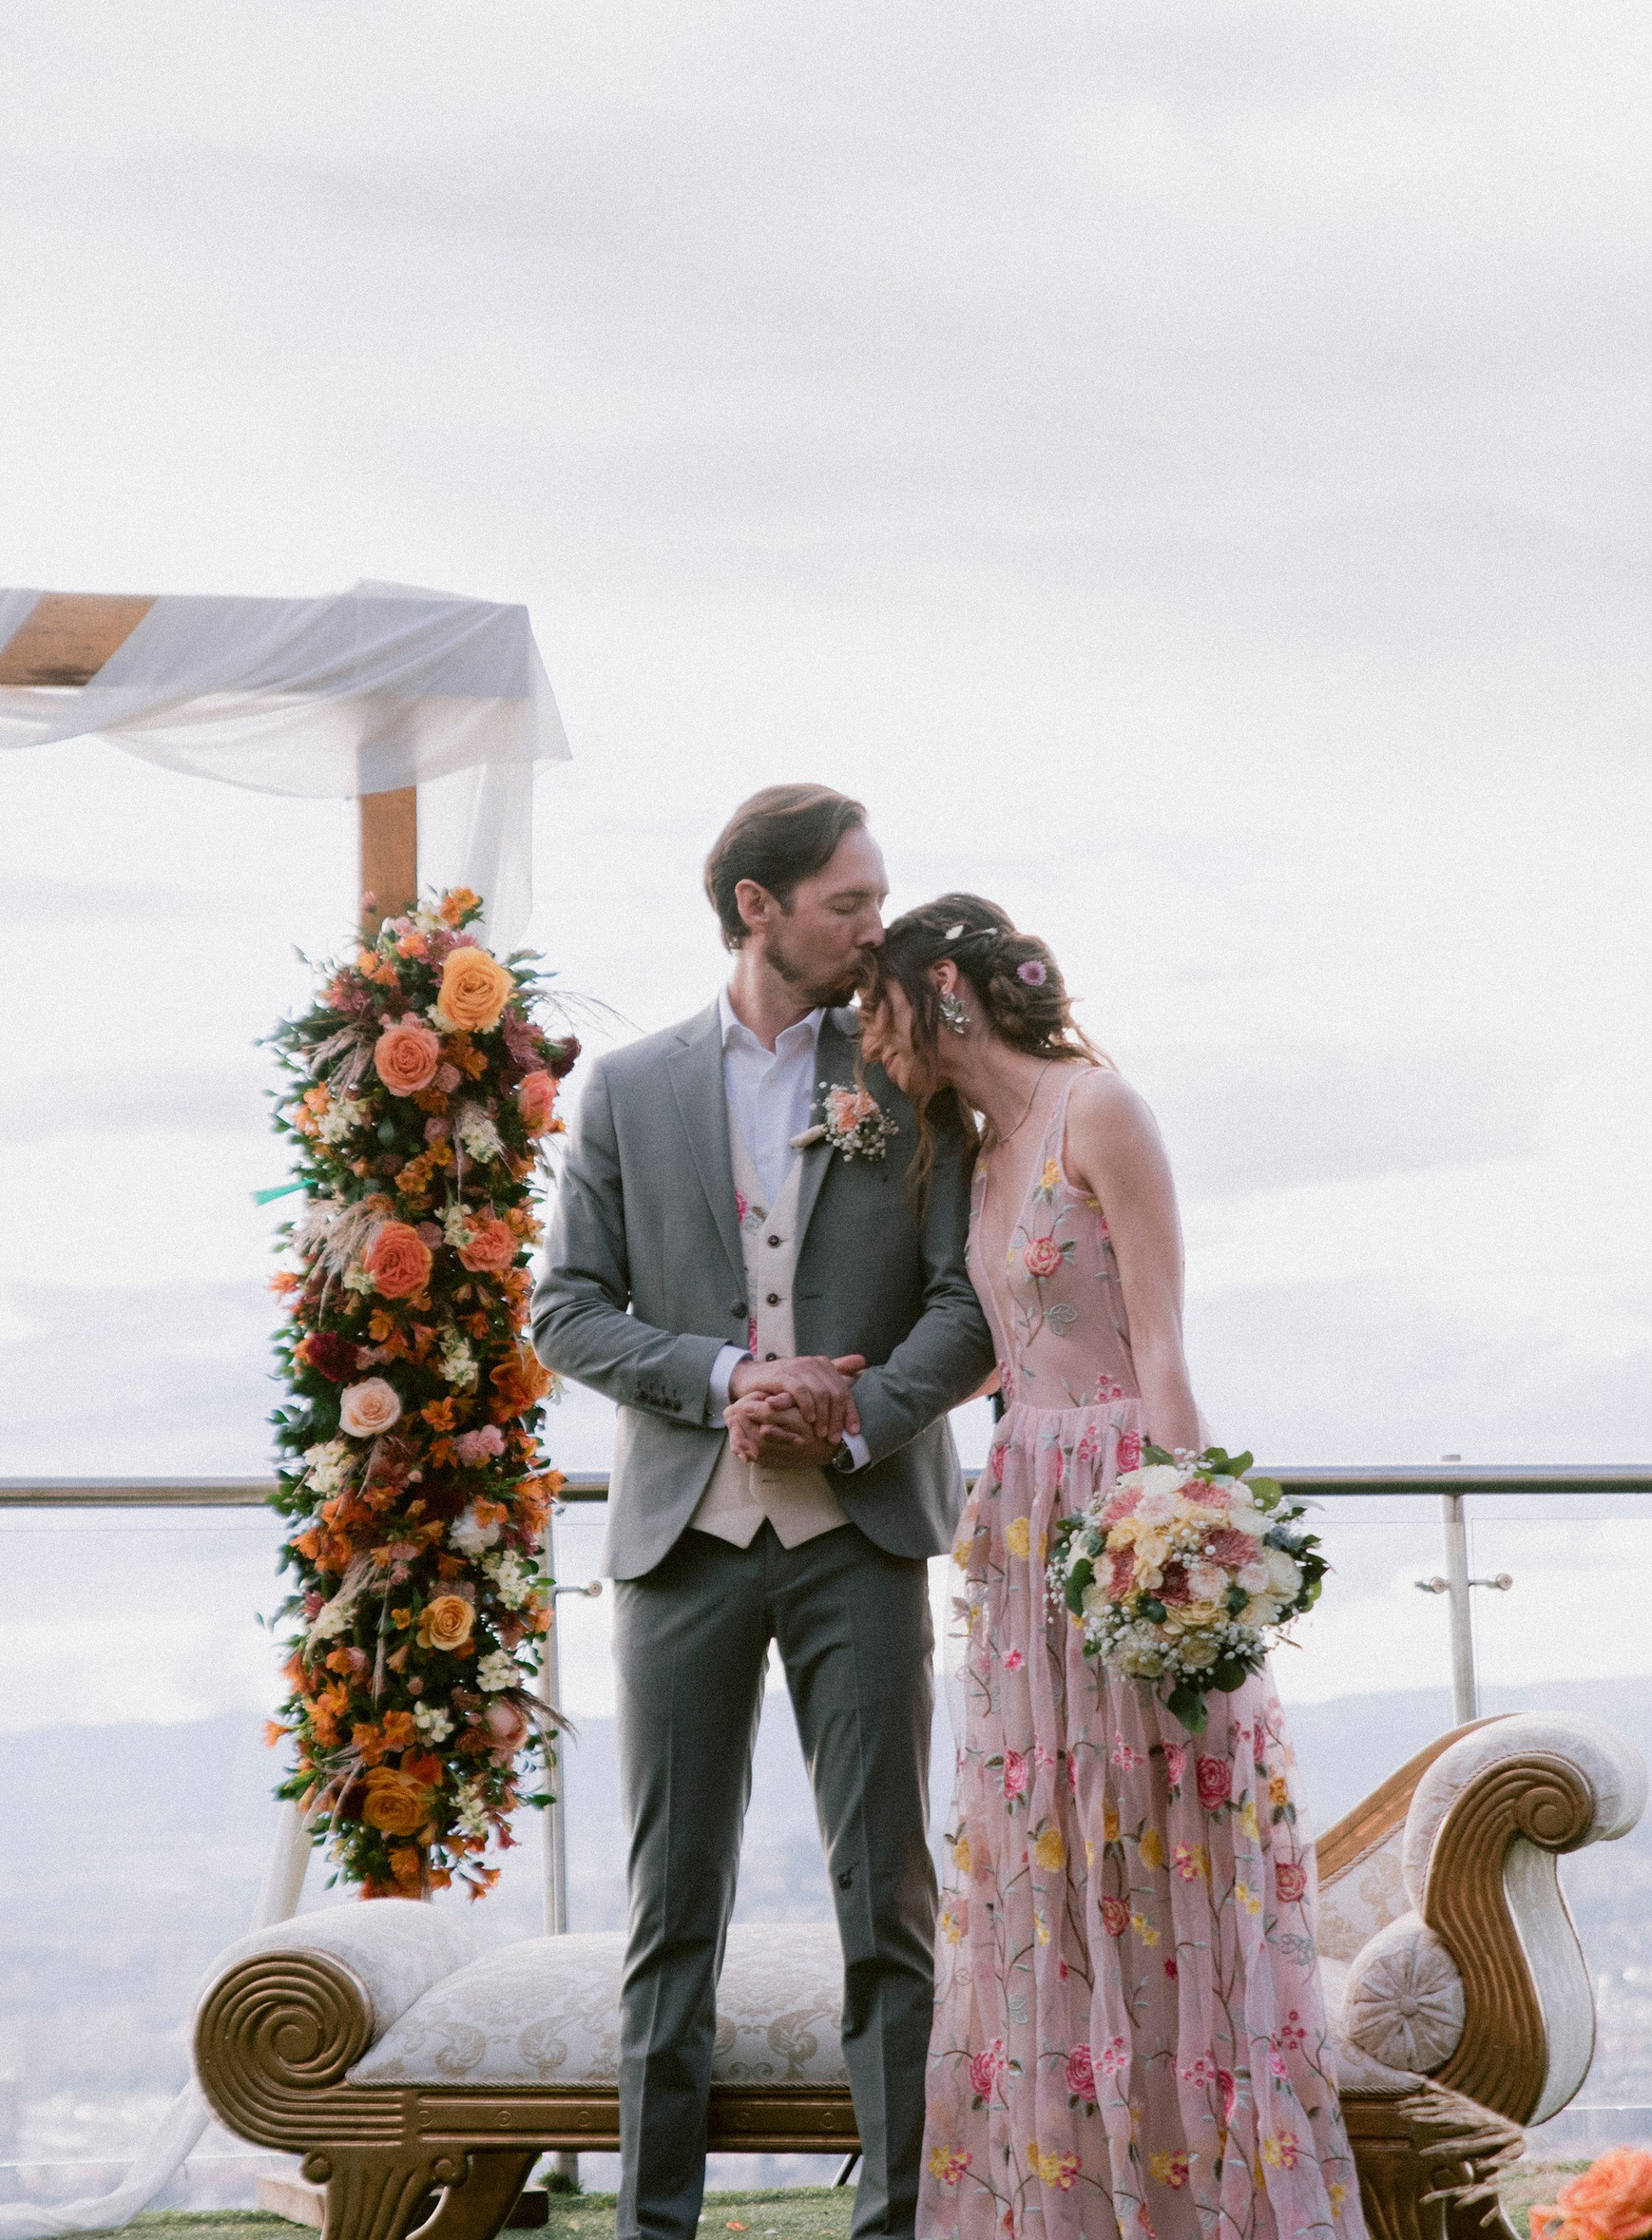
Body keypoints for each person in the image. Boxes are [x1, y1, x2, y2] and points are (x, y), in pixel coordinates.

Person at [532, 787, 996, 2240]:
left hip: (859, 1538)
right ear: (758, 907)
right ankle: (651, 2228)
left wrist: (850, 1411)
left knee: (889, 1905)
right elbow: (566, 1309)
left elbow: (966, 1303)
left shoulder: (911, 1072)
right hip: (685, 1542)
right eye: (848, 904)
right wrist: (731, 1374)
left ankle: (901, 2225)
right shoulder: (628, 1087)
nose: (876, 928)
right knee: (670, 1913)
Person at [861, 894, 1361, 2240]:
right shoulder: (975, 1150)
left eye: (881, 1004)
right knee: (1046, 1857)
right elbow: (1002, 1338)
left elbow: (1161, 1339)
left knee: (1154, 1849)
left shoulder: (1103, 1111)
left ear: (946, 988)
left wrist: (1187, 1537)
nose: (870, 1034)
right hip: (1022, 1523)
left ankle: (1196, 2201)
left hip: (1117, 1511)